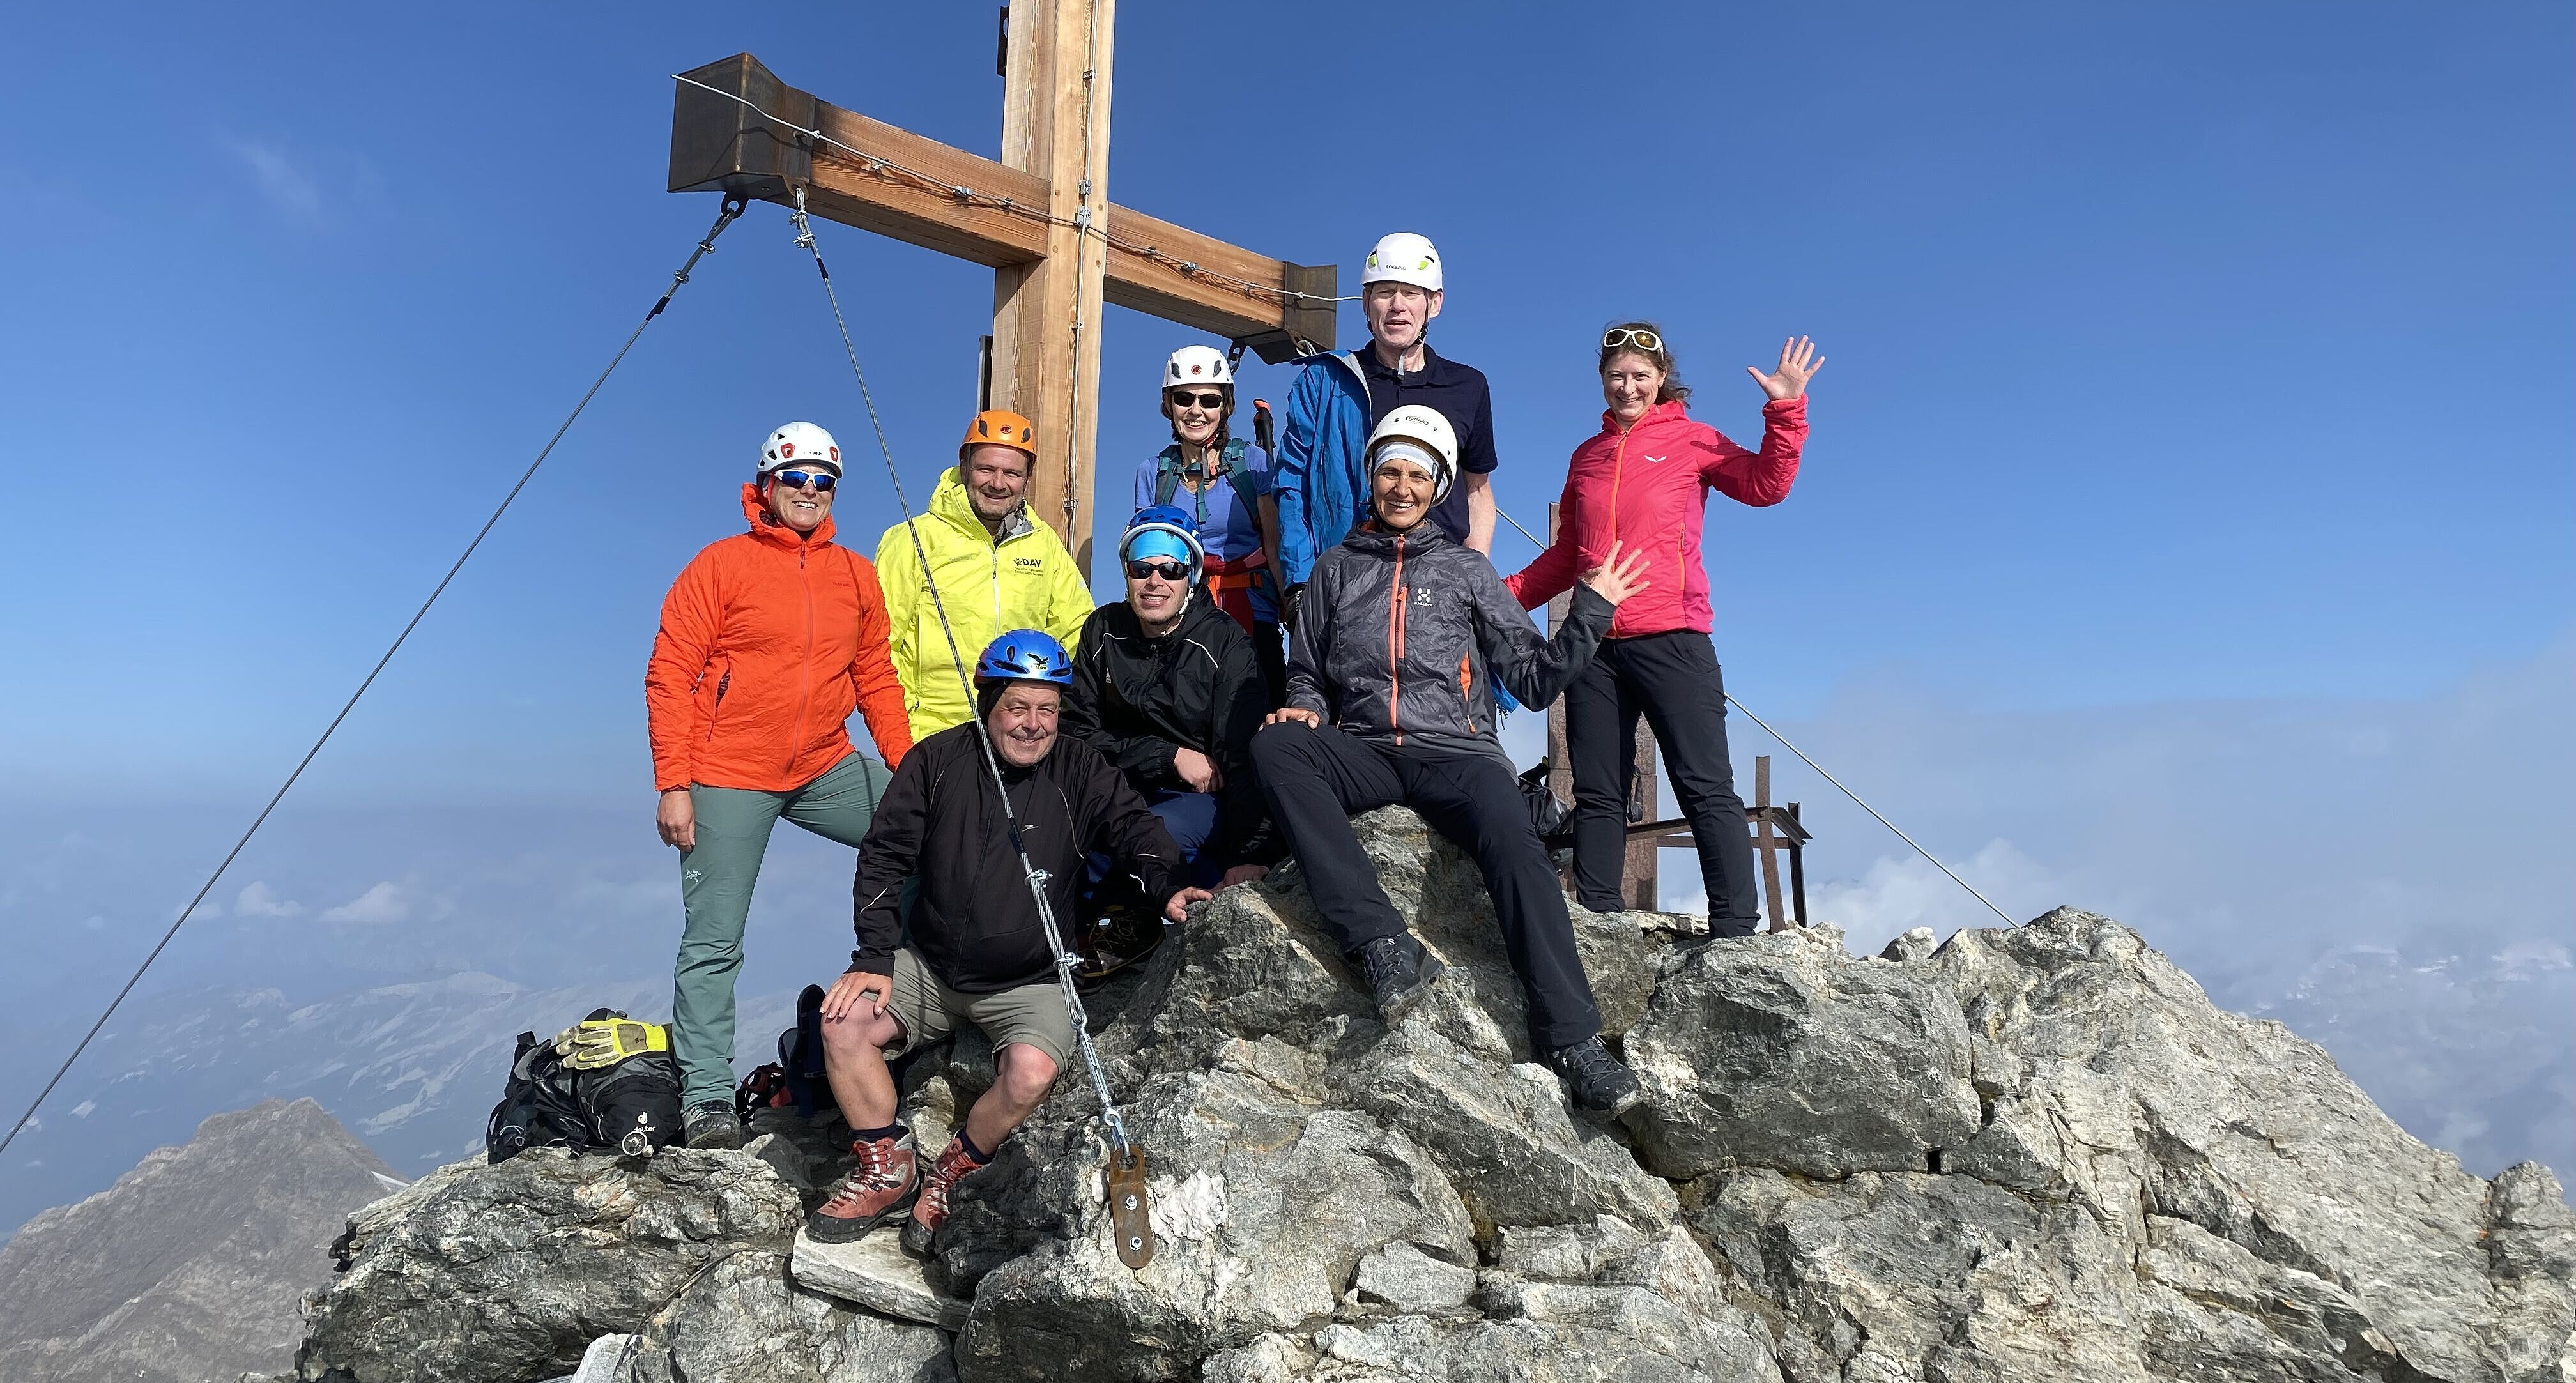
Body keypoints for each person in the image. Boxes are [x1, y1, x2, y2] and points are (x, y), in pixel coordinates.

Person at [1250, 405, 1655, 1113]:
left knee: (1516, 847)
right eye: (1390, 473)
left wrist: (1591, 610)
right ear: (1372, 478)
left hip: (1459, 754)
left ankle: (1573, 1041)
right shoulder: (1335, 570)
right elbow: (1307, 670)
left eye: (1418, 476)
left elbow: (1531, 679)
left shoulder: (1468, 570)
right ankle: (1382, 942)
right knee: (1276, 745)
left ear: (1438, 487)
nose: (1402, 488)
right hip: (1366, 748)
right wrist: (1306, 707)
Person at [805, 630, 1212, 1253]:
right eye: (1018, 706)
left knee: (1031, 1071)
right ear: (988, 701)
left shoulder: (1080, 769)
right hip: (931, 967)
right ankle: (888, 1167)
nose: (1033, 723)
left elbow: (1135, 829)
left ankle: (954, 1169)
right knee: (842, 1022)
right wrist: (875, 956)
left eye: (1047, 708)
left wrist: (1168, 886)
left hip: (1030, 977)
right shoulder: (937, 761)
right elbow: (884, 856)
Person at [643, 421, 915, 1150]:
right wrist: (674, 782)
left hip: (824, 763)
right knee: (715, 938)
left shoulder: (855, 574)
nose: (809, 490)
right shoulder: (722, 564)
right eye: (795, 477)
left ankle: (905, 1013)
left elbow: (876, 678)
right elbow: (670, 674)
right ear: (766, 485)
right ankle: (706, 1097)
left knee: (934, 837)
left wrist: (911, 770)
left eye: (824, 481)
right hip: (727, 771)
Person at [1508, 327, 1820, 935]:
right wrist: (1496, 595)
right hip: (1594, 644)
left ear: (1661, 379)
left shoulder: (1692, 439)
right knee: (1598, 792)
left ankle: (1735, 931)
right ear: (1602, 380)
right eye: (1616, 376)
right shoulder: (1586, 456)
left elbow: (1766, 486)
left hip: (1674, 637)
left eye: (1640, 376)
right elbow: (1568, 555)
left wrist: (1785, 409)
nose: (1627, 387)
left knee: (1704, 787)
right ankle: (1598, 925)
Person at [1062, 507, 1280, 972]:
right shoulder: (1102, 630)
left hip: (1199, 800)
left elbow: (1244, 756)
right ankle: (1071, 934)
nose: (1155, 582)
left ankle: (1131, 926)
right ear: (1127, 574)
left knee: (1146, 832)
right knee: (1065, 826)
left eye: (1172, 570)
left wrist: (1251, 855)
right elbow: (1076, 732)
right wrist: (1167, 755)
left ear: (1192, 577)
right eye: (1141, 569)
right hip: (1123, 784)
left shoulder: (1225, 643)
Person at [1275, 233, 1503, 625]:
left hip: (1439, 592)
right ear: (1366, 302)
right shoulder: (1326, 381)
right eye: (1384, 292)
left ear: (1434, 303)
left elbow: (1478, 491)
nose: (1397, 305)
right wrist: (1299, 584)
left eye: (1411, 293)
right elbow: (1292, 485)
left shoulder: (1467, 387)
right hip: (1347, 586)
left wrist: (1474, 573)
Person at [877, 409, 1092, 743]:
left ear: (1027, 477)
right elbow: (877, 646)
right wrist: (899, 740)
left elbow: (1078, 633)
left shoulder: (1044, 544)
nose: (998, 483)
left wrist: (1049, 710)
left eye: (1012, 473)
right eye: (986, 469)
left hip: (1018, 734)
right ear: (964, 467)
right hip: (932, 734)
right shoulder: (911, 539)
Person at [1135, 344, 1286, 703]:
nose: (1196, 410)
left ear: (1225, 406)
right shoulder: (1153, 473)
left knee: (1264, 712)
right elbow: (1147, 558)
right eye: (1184, 398)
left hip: (1253, 613)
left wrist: (1293, 609)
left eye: (1209, 400)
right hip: (1184, 617)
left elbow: (1274, 546)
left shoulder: (1252, 463)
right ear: (1169, 404)